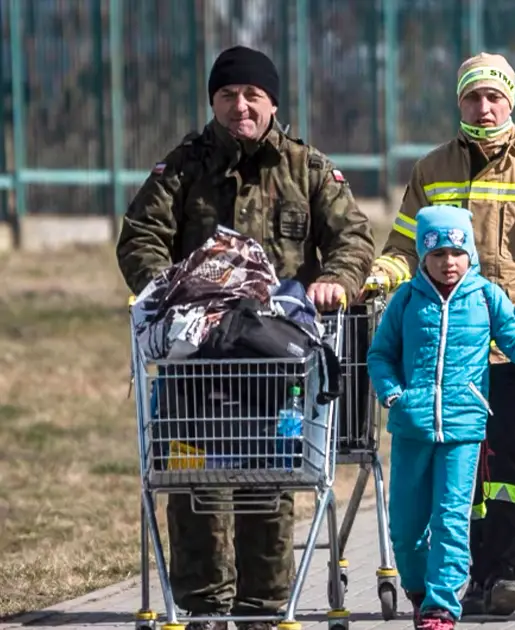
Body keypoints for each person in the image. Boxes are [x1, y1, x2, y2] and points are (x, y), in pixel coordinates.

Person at [115, 45, 376, 630]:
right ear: (213, 101)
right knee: (191, 479)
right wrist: (168, 289)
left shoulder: (306, 168)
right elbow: (140, 237)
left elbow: (354, 237)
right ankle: (205, 604)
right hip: (196, 354)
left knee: (272, 480)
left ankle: (262, 608)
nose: (240, 106)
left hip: (273, 359)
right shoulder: (184, 166)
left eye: (252, 96)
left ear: (272, 103)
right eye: (228, 96)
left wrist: (336, 280)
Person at [369, 52, 515, 616]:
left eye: (494, 96)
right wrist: (381, 276)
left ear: (511, 100)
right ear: (459, 101)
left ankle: (501, 571)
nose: (484, 108)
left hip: (513, 338)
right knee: (459, 469)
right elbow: (404, 246)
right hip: (445, 350)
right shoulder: (431, 170)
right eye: (473, 97)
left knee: (508, 459)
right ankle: (464, 574)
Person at [366, 205, 515, 630]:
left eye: (457, 253)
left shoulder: (487, 297)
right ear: (423, 257)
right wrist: (394, 394)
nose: (449, 263)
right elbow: (380, 354)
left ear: (471, 254)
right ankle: (418, 589)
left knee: (450, 519)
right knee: (407, 529)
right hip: (411, 429)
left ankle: (440, 607)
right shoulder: (407, 300)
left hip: (465, 430)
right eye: (437, 255)